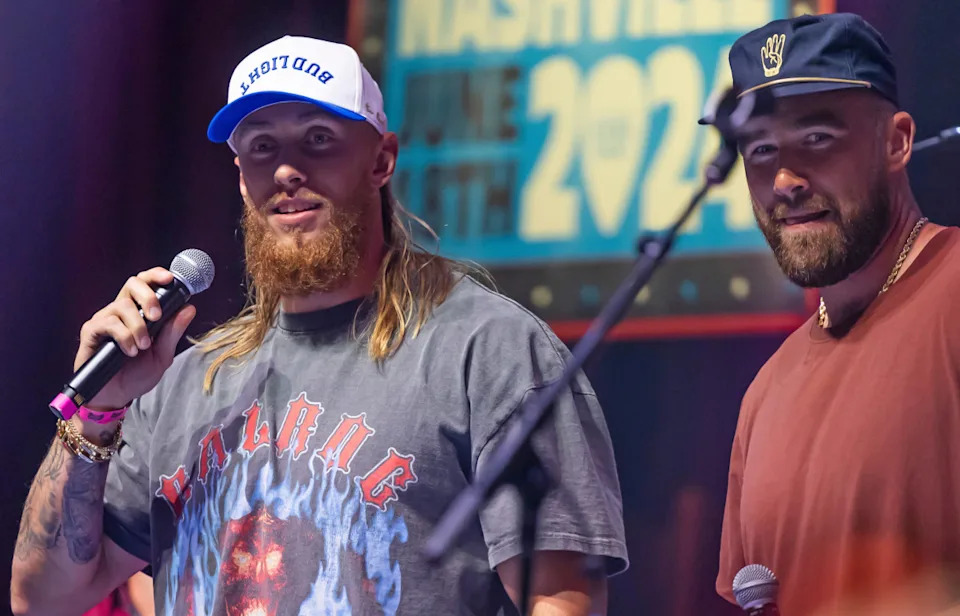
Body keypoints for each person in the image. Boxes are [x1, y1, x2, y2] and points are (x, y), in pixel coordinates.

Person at [12, 35, 627, 615]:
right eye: (261, 146)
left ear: (382, 159)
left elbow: (560, 598)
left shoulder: (488, 349)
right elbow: (40, 598)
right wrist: (96, 416)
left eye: (318, 138)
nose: (285, 170)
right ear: (241, 178)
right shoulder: (182, 383)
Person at [712, 12, 960, 616]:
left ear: (896, 141)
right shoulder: (763, 395)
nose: (786, 180)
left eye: (817, 139)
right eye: (762, 150)